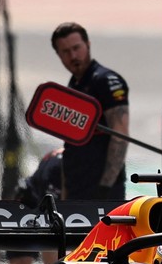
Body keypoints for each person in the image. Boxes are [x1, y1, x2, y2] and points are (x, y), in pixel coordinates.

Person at [51, 22, 129, 200]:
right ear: (58, 55)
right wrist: (66, 191)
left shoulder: (106, 81)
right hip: (76, 188)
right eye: (65, 52)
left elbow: (120, 136)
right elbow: (69, 143)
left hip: (102, 190)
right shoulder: (74, 85)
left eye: (77, 48)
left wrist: (105, 187)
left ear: (88, 45)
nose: (73, 56)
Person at [0, 148, 64, 264]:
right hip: (27, 206)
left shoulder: (89, 167)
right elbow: (49, 227)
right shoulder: (55, 170)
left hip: (50, 207)